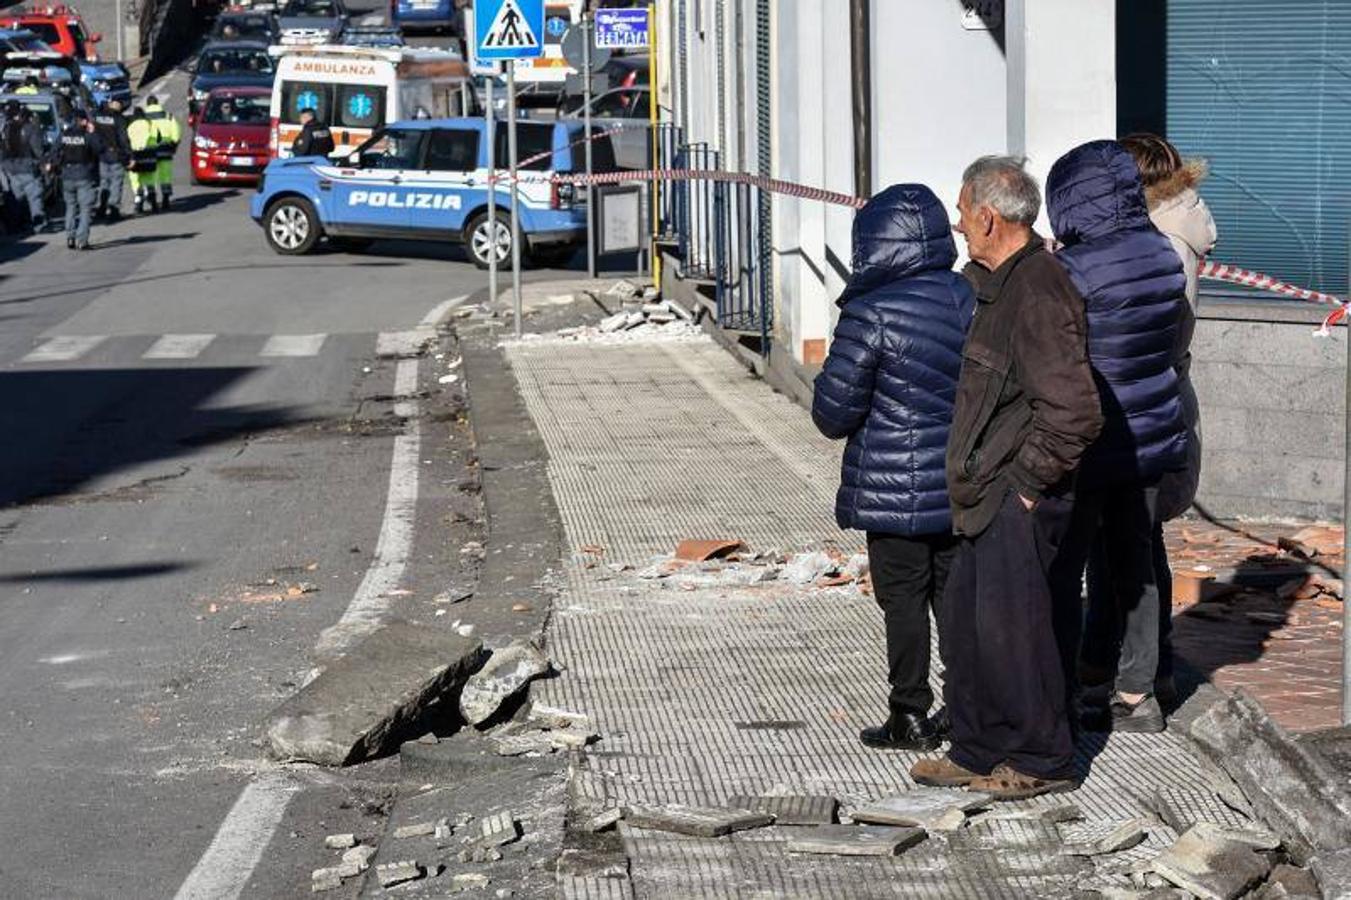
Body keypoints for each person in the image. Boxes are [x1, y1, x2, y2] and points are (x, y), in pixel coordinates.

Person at [908, 156, 1102, 801]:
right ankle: (979, 748)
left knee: (1015, 630)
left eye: (963, 212)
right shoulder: (998, 283)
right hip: (983, 489)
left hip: (1015, 493)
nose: (959, 225)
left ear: (988, 216)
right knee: (969, 625)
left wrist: (1026, 485)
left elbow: (1074, 410)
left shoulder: (1039, 289)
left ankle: (1042, 757)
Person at [812, 184, 974, 752]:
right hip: (959, 482)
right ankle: (964, 710)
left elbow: (833, 414)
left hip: (891, 489)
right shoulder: (970, 294)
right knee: (955, 599)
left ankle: (909, 713)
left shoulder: (870, 313)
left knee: (903, 601)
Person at [1042, 140, 1189, 735]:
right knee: (1137, 564)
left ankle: (1065, 686)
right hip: (1150, 432)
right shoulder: (1159, 250)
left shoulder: (1076, 269)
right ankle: (1139, 692)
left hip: (1091, 436)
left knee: (1064, 566)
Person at [1079, 134, 1218, 725]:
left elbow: (1159, 334)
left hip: (1142, 402)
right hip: (1155, 397)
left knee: (1130, 543)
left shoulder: (1162, 243)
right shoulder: (1171, 230)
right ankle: (1131, 670)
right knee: (1131, 541)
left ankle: (1136, 685)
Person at [52, 107, 103, 250]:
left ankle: (70, 237)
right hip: (84, 175)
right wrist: (93, 133)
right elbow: (100, 149)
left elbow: (54, 152)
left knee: (70, 207)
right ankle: (82, 240)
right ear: (84, 121)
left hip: (67, 175)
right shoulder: (87, 135)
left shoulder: (64, 135)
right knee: (85, 209)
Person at [1, 100, 47, 230]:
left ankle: (18, 225)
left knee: (17, 197)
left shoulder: (7, 127)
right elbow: (37, 150)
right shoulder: (30, 128)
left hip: (10, 167)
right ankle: (38, 224)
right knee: (34, 196)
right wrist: (42, 163)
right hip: (27, 166)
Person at [92, 98, 131, 221]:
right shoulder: (119, 119)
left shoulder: (98, 116)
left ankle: (101, 207)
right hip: (116, 155)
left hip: (102, 155)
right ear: (114, 104)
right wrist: (129, 155)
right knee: (116, 182)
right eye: (120, 104)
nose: (121, 107)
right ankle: (113, 209)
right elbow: (123, 139)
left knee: (104, 181)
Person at [144, 95, 180, 209]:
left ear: (147, 104)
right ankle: (165, 198)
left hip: (149, 151)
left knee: (150, 176)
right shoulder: (168, 116)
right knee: (165, 175)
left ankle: (152, 198)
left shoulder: (143, 118)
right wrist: (173, 146)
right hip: (165, 150)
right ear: (158, 103)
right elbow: (176, 133)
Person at [126, 105, 160, 214]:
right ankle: (153, 202)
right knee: (149, 179)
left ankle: (138, 203)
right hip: (149, 156)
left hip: (135, 157)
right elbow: (158, 138)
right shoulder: (150, 124)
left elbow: (125, 141)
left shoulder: (130, 127)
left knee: (136, 180)